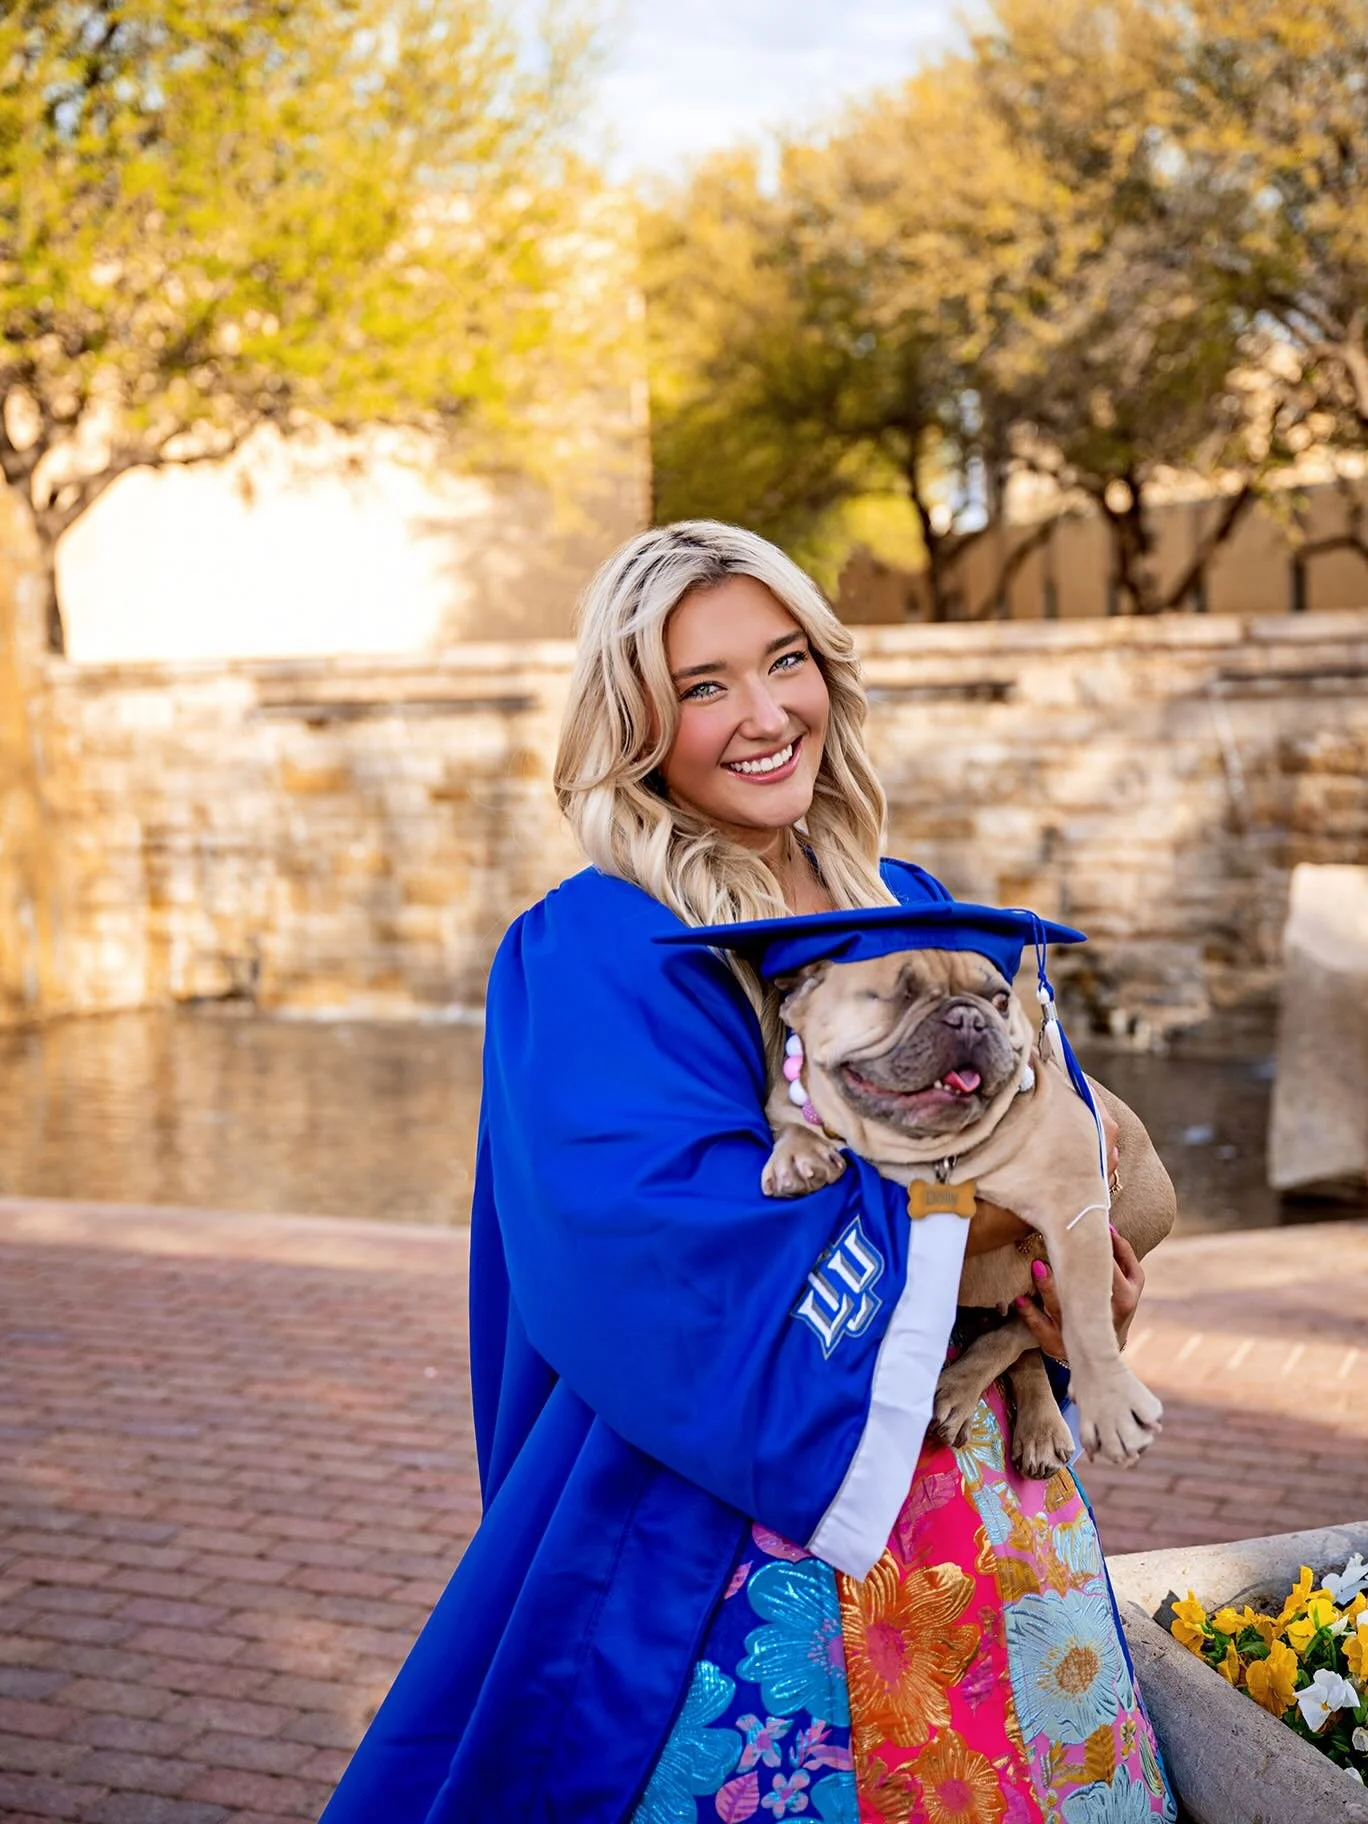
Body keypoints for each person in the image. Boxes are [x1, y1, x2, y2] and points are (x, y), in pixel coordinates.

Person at [321, 521, 1177, 1823]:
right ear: (637, 722)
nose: (767, 712)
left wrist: (1070, 1290)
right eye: (704, 686)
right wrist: (980, 1220)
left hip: (986, 1497)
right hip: (733, 1526)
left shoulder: (917, 898)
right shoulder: (596, 945)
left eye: (787, 661)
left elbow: (1057, 1145)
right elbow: (646, 1243)